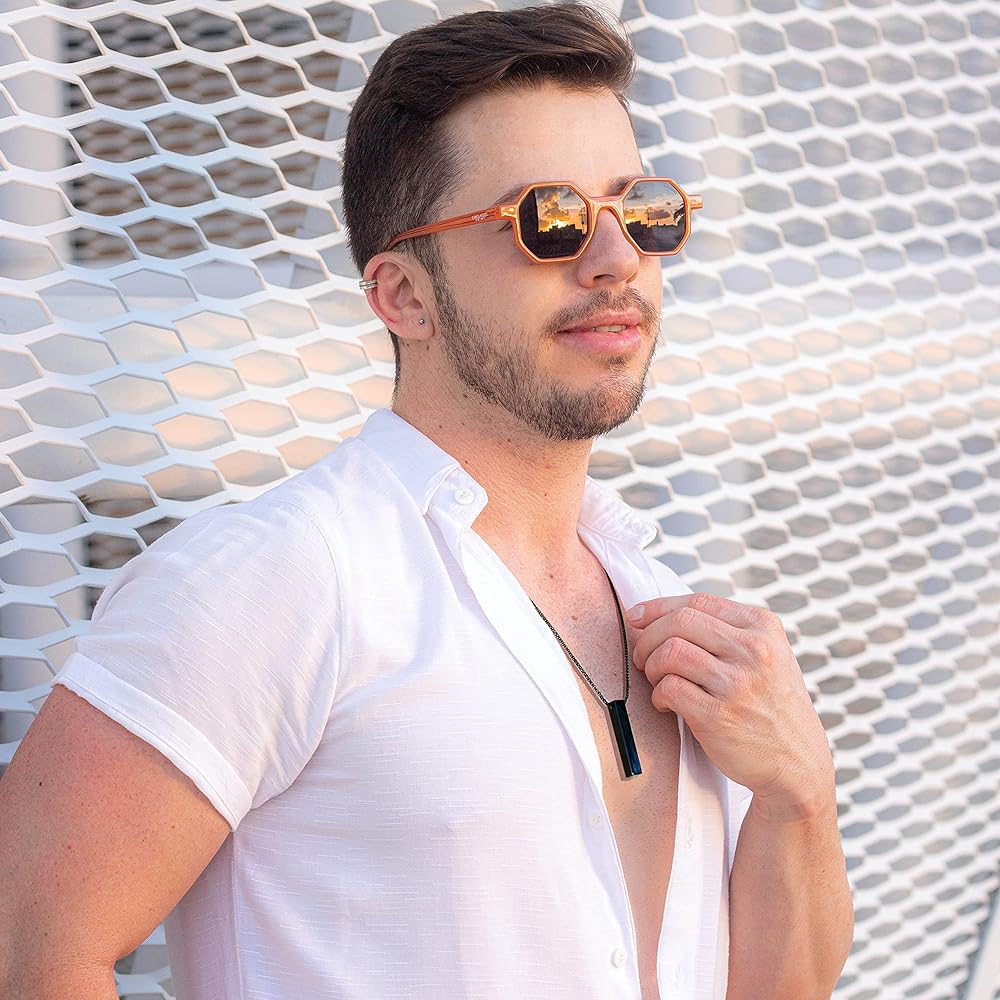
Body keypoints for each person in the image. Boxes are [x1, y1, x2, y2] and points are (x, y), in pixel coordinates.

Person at [0, 4, 854, 999]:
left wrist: (800, 794)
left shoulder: (661, 600)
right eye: (549, 218)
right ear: (403, 294)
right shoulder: (275, 580)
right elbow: (32, 951)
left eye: (642, 210)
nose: (616, 258)